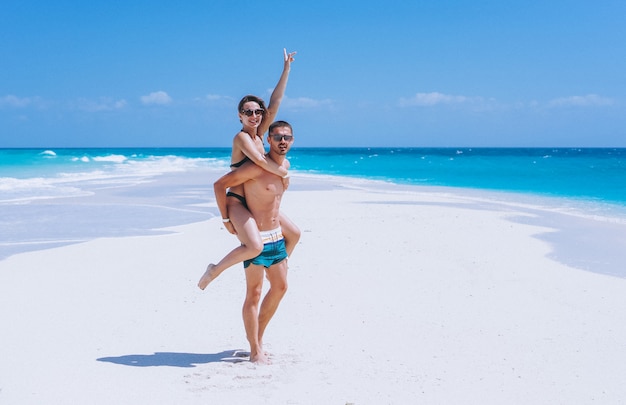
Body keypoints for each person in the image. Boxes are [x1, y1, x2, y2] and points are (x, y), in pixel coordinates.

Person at [198, 49, 300, 290]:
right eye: (247, 112)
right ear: (240, 116)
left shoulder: (259, 135)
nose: (253, 116)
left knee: (293, 234)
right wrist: (284, 174)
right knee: (254, 247)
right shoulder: (242, 137)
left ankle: (277, 267)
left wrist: (286, 69)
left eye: (257, 112)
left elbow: (275, 103)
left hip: (254, 200)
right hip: (237, 201)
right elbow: (261, 162)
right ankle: (214, 270)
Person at [211, 121, 296, 364]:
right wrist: (227, 218)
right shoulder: (255, 168)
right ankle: (254, 350)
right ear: (267, 140)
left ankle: (258, 339)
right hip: (257, 238)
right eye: (277, 136)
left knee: (280, 288)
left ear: (292, 141)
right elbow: (221, 185)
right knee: (254, 294)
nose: (282, 141)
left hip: (277, 237)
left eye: (287, 137)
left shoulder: (285, 167)